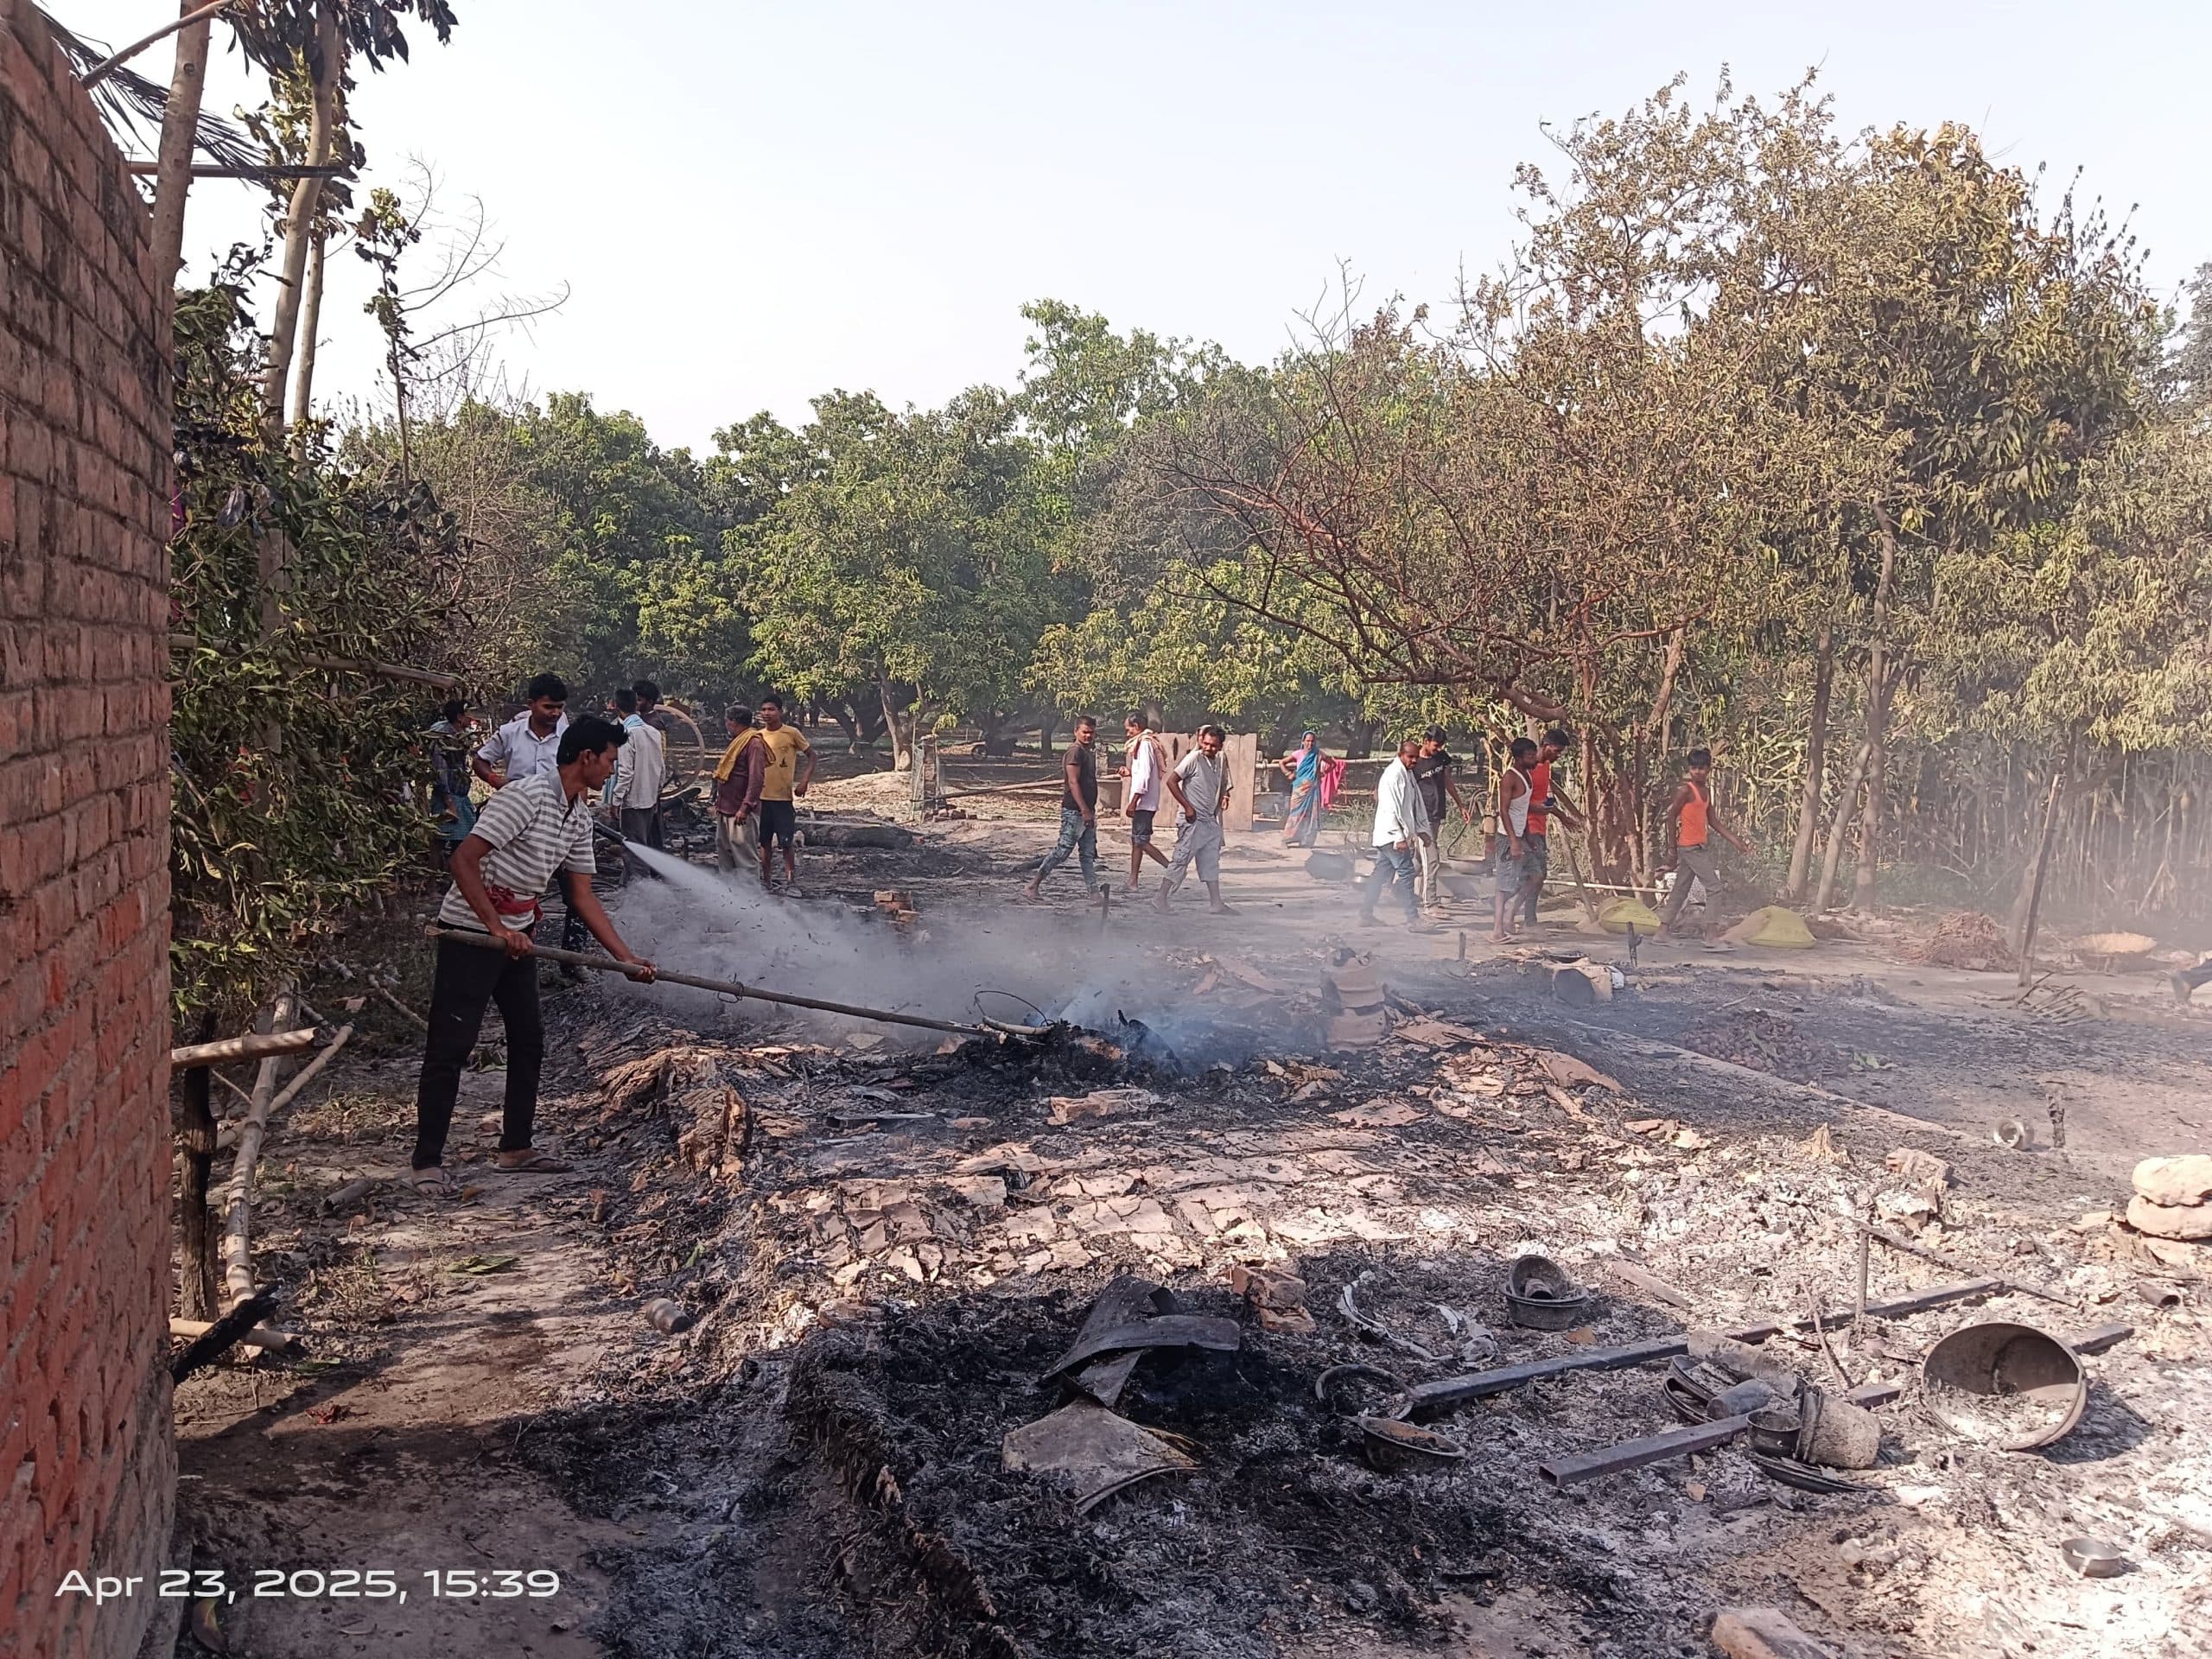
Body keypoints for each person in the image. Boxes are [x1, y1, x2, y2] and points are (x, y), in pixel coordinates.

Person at [413, 715, 656, 1190]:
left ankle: (516, 1147)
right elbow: (463, 859)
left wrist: (625, 958)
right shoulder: (524, 796)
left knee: (528, 1039)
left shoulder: (578, 815)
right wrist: (495, 926)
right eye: (609, 760)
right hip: (471, 934)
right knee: (451, 1047)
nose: (611, 770)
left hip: (517, 936)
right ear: (586, 757)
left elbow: (582, 896)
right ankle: (426, 1160)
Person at [473, 674, 588, 959]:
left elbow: (580, 777)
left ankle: (572, 960)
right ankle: (504, 944)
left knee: (576, 893)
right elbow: (480, 759)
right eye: (549, 707)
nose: (555, 714)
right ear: (531, 705)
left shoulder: (568, 738)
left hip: (556, 822)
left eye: (560, 707)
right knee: (509, 886)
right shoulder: (509, 733)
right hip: (515, 822)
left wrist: (580, 814)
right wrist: (498, 783)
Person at [1655, 747, 1753, 937]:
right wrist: (1671, 850)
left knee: (1680, 890)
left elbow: (1713, 821)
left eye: (1701, 768)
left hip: (1698, 846)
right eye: (1694, 768)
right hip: (1690, 847)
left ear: (1709, 769)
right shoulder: (1686, 790)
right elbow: (1671, 816)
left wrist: (1736, 842)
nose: (1697, 772)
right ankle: (1711, 936)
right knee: (1714, 888)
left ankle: (1661, 932)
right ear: (1690, 768)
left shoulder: (1705, 792)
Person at [1154, 725, 1234, 915]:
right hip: (1192, 819)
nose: (1208, 748)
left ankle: (1216, 903)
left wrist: (1224, 796)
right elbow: (1171, 781)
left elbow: (1223, 784)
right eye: (1206, 744)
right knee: (1181, 859)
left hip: (1209, 819)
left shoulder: (1220, 760)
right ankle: (1160, 898)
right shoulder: (1193, 758)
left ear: (1220, 746)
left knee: (1211, 861)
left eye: (1213, 745)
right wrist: (1188, 807)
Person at [1024, 714, 1102, 899]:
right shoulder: (1075, 752)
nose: (1088, 736)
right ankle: (1033, 885)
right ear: (1076, 732)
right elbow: (1073, 782)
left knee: (1088, 854)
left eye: (1091, 733)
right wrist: (1083, 810)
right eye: (1084, 732)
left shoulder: (1088, 752)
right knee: (1062, 851)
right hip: (1075, 811)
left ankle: (1094, 893)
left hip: (1087, 810)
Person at [1518, 728, 1586, 928]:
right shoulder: (1527, 768)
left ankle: (1525, 917)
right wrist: (1546, 810)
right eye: (1556, 751)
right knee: (1535, 875)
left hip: (1540, 826)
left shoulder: (1546, 766)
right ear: (1546, 746)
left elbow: (1542, 798)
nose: (1558, 756)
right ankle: (1518, 916)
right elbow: (1520, 802)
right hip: (1527, 827)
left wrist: (1560, 815)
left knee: (1537, 876)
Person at [1362, 736, 1431, 931]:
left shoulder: (1406, 774)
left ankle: (1365, 914)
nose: (1414, 761)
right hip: (1391, 835)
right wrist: (1399, 837)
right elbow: (1390, 808)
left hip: (1392, 835)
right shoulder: (1393, 774)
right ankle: (1412, 919)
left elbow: (1411, 806)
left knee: (1379, 875)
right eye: (1410, 757)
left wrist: (1421, 831)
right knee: (1407, 872)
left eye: (1416, 757)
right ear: (1401, 755)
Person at [753, 692, 815, 888]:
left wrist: (804, 781)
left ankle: (790, 882)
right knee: (764, 842)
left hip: (783, 798)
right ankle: (767, 880)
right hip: (761, 798)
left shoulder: (791, 733)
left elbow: (812, 756)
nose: (767, 713)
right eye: (763, 710)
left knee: (786, 842)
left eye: (771, 709)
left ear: (780, 711)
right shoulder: (758, 736)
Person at [1409, 727, 1472, 914]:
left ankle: (1398, 887)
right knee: (1432, 858)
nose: (1438, 749)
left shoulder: (1441, 758)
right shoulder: (1415, 763)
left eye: (1441, 746)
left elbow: (1447, 781)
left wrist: (1460, 805)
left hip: (1437, 813)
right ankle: (1431, 903)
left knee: (1420, 859)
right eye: (1436, 745)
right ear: (1425, 741)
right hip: (1422, 816)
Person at [1490, 736, 1539, 944]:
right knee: (1504, 885)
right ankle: (1497, 931)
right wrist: (1514, 841)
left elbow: (1522, 810)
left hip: (1520, 836)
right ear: (1519, 758)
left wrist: (1527, 835)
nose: (1534, 758)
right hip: (1508, 838)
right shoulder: (1510, 778)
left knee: (1536, 876)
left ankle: (1510, 916)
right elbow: (1504, 810)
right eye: (1529, 756)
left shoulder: (1527, 775)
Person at [1121, 713, 1170, 891]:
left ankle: (1172, 870)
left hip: (1143, 801)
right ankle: (1132, 880)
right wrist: (1129, 772)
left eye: (1128, 730)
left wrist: (1134, 801)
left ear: (1136, 726)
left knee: (1141, 841)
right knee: (1137, 841)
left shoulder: (1145, 744)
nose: (1127, 734)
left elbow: (1145, 775)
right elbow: (1142, 772)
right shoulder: (1145, 743)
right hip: (1144, 800)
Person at [712, 704, 763, 874]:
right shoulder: (738, 741)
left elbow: (756, 778)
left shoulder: (753, 743)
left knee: (745, 859)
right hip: (725, 808)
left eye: (727, 721)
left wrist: (746, 806)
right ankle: (729, 898)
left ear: (734, 722)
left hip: (740, 811)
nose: (726, 724)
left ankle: (751, 898)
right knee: (725, 857)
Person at [428, 700, 476, 867]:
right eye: (468, 714)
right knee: (439, 841)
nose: (471, 718)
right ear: (459, 717)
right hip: (447, 797)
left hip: (460, 797)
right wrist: (449, 802)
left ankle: (456, 881)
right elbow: (440, 769)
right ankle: (432, 884)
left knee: (461, 842)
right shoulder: (442, 737)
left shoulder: (461, 735)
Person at [1280, 730, 1344, 848]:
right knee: (1295, 813)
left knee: (1310, 815)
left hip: (1313, 789)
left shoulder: (1318, 754)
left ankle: (1305, 840)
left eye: (1312, 741)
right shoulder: (1298, 754)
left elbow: (1333, 764)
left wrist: (1323, 773)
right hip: (1299, 789)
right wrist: (1288, 774)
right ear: (1303, 742)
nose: (1310, 744)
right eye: (1308, 741)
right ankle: (1286, 839)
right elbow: (1282, 763)